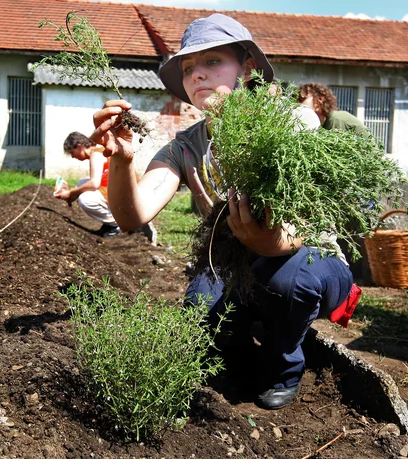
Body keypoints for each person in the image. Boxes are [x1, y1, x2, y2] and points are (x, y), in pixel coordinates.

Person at [90, 13, 357, 410]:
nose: (197, 74)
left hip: (310, 258)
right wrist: (125, 161)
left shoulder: (288, 128)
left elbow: (297, 233)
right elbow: (132, 216)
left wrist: (270, 242)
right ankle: (240, 335)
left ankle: (284, 365)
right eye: (188, 68)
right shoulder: (185, 149)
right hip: (237, 263)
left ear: (247, 69)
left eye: (212, 61)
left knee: (290, 283)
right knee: (202, 312)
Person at [56, 131, 157, 243]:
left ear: (79, 146)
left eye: (72, 152)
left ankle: (118, 224)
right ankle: (113, 220)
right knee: (82, 183)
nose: (73, 157)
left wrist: (71, 193)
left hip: (127, 195)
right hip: (127, 190)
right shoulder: (100, 151)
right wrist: (73, 194)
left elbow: (94, 183)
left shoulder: (96, 154)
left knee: (85, 199)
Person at [298, 83, 370, 136]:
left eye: (303, 98)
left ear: (320, 99)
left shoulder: (335, 119)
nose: (299, 103)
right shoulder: (321, 124)